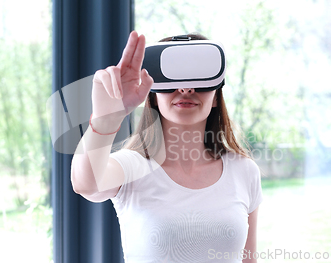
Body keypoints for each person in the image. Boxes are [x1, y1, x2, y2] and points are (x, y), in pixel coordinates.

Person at [71, 31, 263, 263]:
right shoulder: (133, 166)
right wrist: (106, 119)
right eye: (173, 80)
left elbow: (249, 259)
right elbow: (86, 184)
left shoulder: (244, 171)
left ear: (215, 97)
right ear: (153, 96)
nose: (185, 89)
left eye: (197, 79)